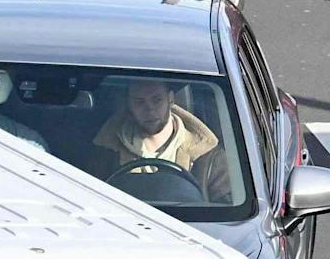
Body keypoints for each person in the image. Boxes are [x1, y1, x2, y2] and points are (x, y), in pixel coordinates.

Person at [93, 77, 232, 200]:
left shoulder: (209, 156)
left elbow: (227, 213)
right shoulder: (106, 152)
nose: (149, 109)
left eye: (157, 100)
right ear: (129, 105)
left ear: (171, 99)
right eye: (139, 101)